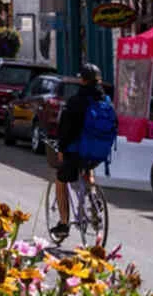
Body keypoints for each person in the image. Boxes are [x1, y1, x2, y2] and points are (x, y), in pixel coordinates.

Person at [51, 63, 109, 241]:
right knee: (88, 170)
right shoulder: (105, 101)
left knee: (61, 180)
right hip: (99, 150)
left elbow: (66, 129)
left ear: (82, 80)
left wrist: (61, 148)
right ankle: (93, 198)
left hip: (77, 151)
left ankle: (63, 223)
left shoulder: (76, 101)